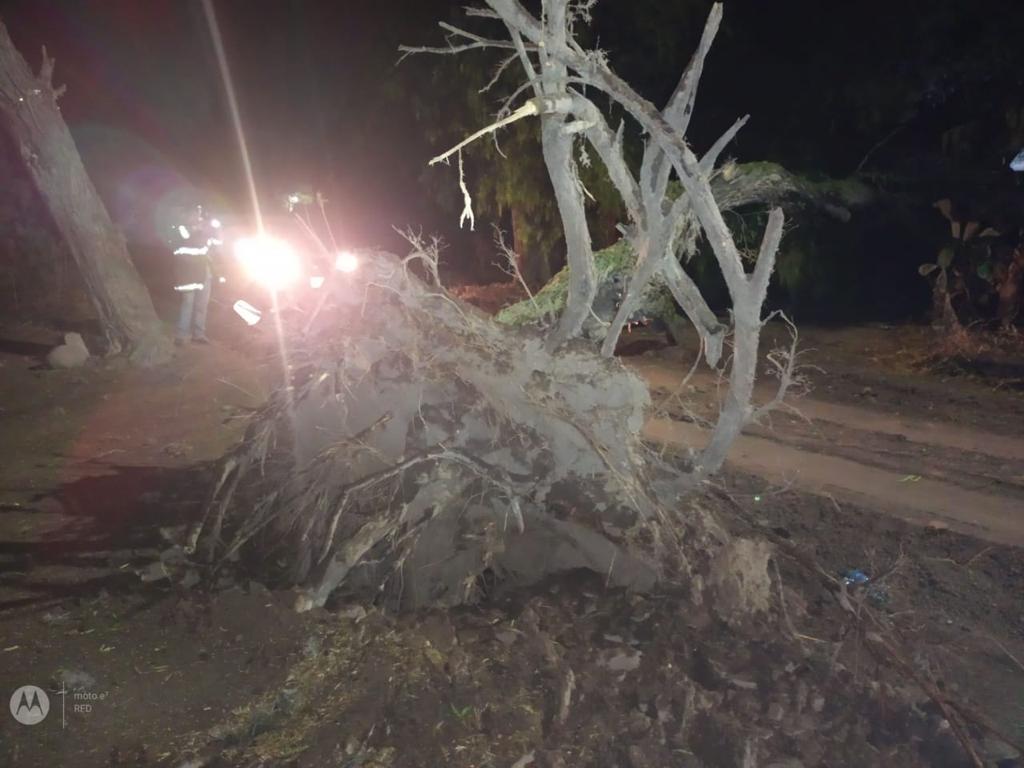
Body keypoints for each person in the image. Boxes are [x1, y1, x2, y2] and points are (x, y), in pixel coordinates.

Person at [172, 205, 223, 345]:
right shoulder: (182, 228)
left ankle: (199, 334)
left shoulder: (205, 229)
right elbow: (190, 239)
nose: (198, 216)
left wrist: (217, 230)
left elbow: (216, 245)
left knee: (202, 304)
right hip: (187, 272)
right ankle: (181, 335)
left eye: (200, 213)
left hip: (204, 270)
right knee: (187, 303)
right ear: (188, 214)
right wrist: (203, 230)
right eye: (195, 213)